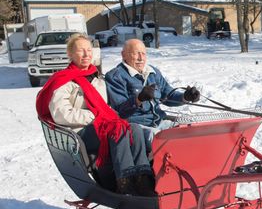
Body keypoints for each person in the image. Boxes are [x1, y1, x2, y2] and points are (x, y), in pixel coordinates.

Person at [36, 34, 155, 197]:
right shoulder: (63, 81)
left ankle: (143, 179)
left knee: (132, 128)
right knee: (118, 130)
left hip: (100, 126)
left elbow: (107, 107)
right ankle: (125, 182)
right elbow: (61, 114)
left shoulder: (97, 79)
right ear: (70, 54)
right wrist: (95, 116)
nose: (86, 55)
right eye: (80, 51)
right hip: (78, 132)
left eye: (89, 50)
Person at [105, 38, 200, 146]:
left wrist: (186, 97)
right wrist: (138, 99)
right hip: (137, 127)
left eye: (143, 54)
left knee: (190, 133)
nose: (141, 58)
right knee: (162, 142)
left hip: (160, 122)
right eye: (136, 53)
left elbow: (168, 95)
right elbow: (121, 111)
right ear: (123, 55)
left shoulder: (153, 73)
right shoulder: (116, 76)